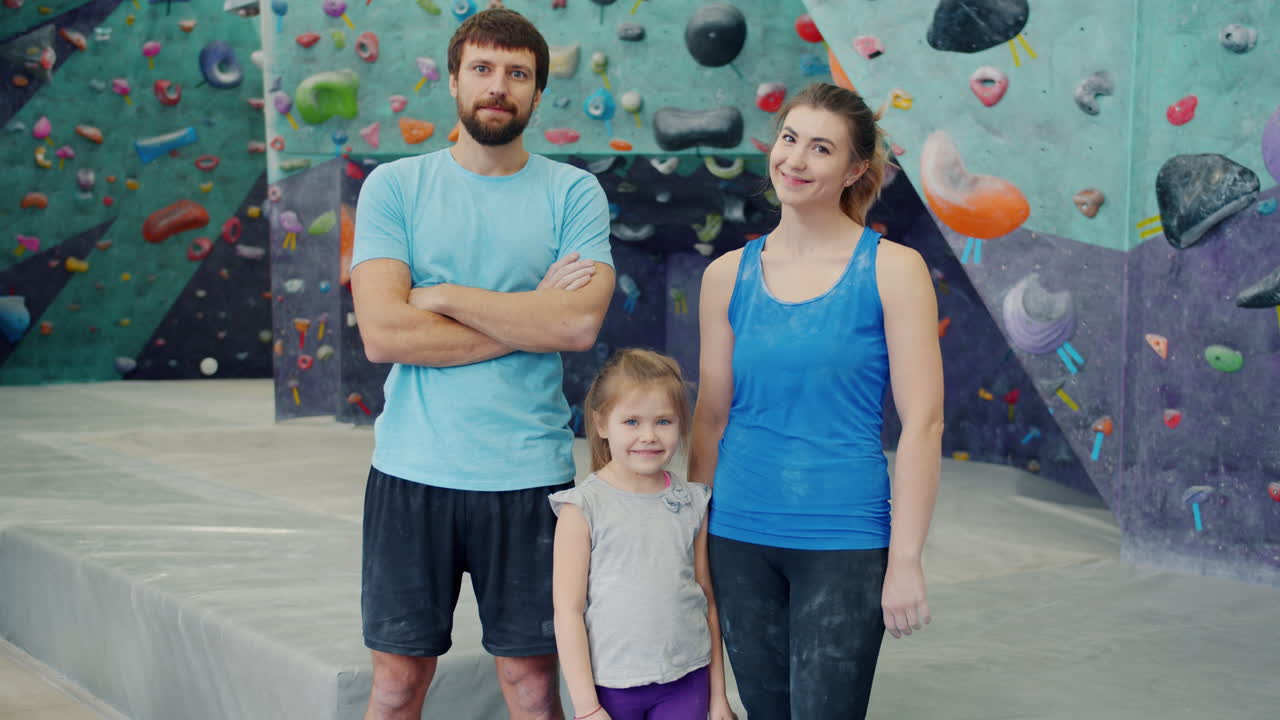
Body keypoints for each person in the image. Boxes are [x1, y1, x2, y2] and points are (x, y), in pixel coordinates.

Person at [349, 9, 616, 720]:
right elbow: (382, 333)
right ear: (453, 81)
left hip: (529, 479)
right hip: (411, 472)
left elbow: (578, 320)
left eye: (517, 74)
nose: (499, 86)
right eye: (484, 69)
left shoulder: (573, 193)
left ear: (536, 93)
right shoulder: (395, 188)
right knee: (398, 685)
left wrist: (445, 300)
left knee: (531, 687)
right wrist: (529, 315)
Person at [688, 82, 945, 719]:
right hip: (738, 537)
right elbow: (711, 418)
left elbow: (924, 424)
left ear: (856, 169)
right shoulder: (726, 275)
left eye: (821, 148)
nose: (795, 160)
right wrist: (687, 539)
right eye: (789, 139)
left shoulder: (893, 269)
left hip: (844, 541)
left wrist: (906, 560)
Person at [549, 349, 735, 720]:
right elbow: (568, 611)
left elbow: (706, 599)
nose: (648, 436)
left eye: (663, 421)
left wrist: (719, 698)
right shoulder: (581, 509)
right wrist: (587, 707)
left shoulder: (692, 501)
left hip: (687, 680)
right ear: (602, 424)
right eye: (631, 421)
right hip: (612, 688)